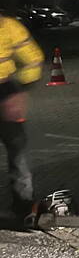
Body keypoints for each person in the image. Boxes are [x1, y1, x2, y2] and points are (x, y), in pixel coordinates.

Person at [0, 12, 43, 224]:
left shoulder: (9, 27)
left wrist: (19, 92)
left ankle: (24, 205)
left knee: (17, 153)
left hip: (6, 94)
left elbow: (33, 59)